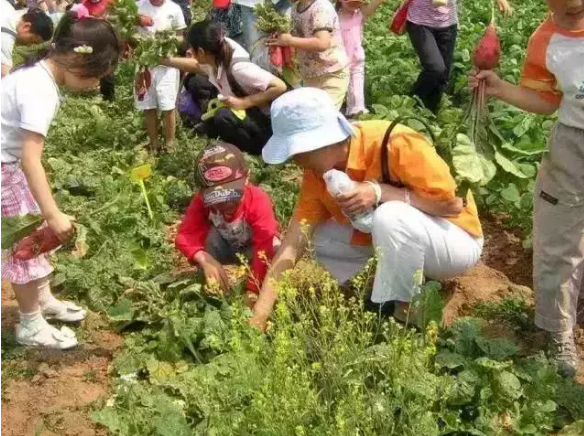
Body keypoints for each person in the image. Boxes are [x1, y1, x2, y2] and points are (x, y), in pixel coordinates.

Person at [249, 87, 483, 330]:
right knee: (316, 237)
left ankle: (406, 315)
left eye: (296, 153)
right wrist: (260, 314)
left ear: (320, 143)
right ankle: (389, 285)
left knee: (390, 215)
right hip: (407, 237)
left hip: (454, 240)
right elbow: (292, 244)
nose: (296, 161)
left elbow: (454, 205)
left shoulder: (394, 142)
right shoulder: (316, 173)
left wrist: (379, 191)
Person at [469, 0, 583, 377]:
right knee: (558, 238)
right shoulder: (544, 40)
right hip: (573, 145)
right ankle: (557, 330)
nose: (570, 12)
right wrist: (500, 88)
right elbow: (547, 101)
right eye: (562, 7)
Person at [1, 10, 120, 349]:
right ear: (77, 60)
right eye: (96, 76)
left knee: (35, 232)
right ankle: (30, 323)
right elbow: (30, 160)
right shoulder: (40, 90)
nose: (95, 84)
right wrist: (53, 215)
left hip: (8, 163)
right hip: (4, 167)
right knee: (23, 246)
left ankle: (42, 299)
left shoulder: (36, 73)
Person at [176, 142, 280, 306]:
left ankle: (267, 285)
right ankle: (216, 286)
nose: (226, 203)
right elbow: (185, 236)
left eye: (232, 195)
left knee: (275, 248)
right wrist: (205, 260)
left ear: (247, 178)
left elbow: (264, 243)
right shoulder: (201, 201)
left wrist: (253, 289)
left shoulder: (258, 200)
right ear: (202, 192)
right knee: (210, 239)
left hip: (255, 250)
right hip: (224, 247)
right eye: (217, 198)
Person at [163, 20, 287, 155]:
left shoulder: (239, 69)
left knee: (222, 117)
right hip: (249, 116)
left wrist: (244, 102)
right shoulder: (215, 52)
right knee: (195, 83)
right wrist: (165, 61)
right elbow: (196, 66)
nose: (189, 52)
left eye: (191, 48)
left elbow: (280, 86)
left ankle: (258, 152)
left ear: (201, 51)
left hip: (267, 126)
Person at [406, 0, 512, 113]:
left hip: (448, 24)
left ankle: (430, 113)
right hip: (420, 22)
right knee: (436, 68)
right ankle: (411, 103)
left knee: (443, 77)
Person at [268, 0, 349, 109]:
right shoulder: (296, 8)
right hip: (310, 75)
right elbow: (298, 36)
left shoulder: (321, 8)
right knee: (311, 113)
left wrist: (290, 41)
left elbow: (322, 43)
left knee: (325, 114)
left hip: (332, 73)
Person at [135, 0, 186, 153]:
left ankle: (170, 145)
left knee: (168, 106)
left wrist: (166, 42)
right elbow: (129, 33)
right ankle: (154, 144)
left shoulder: (174, 9)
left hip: (167, 66)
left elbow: (180, 37)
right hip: (144, 65)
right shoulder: (138, 7)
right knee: (148, 106)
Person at [337, 0, 386, 117]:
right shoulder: (332, 16)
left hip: (356, 60)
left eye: (357, 2)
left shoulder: (360, 14)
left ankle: (357, 115)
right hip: (337, 62)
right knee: (336, 93)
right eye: (351, 2)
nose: (354, 5)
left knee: (357, 96)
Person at [1, 2, 54, 77]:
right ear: (26, 27)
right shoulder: (5, 42)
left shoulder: (6, 6)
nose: (29, 45)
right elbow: (6, 76)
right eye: (32, 40)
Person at [80, 0, 115, 101]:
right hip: (91, 40)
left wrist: (106, 19)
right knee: (92, 67)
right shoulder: (84, 5)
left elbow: (117, 19)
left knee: (107, 69)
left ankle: (108, 98)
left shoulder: (110, 2)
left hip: (107, 40)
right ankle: (88, 92)